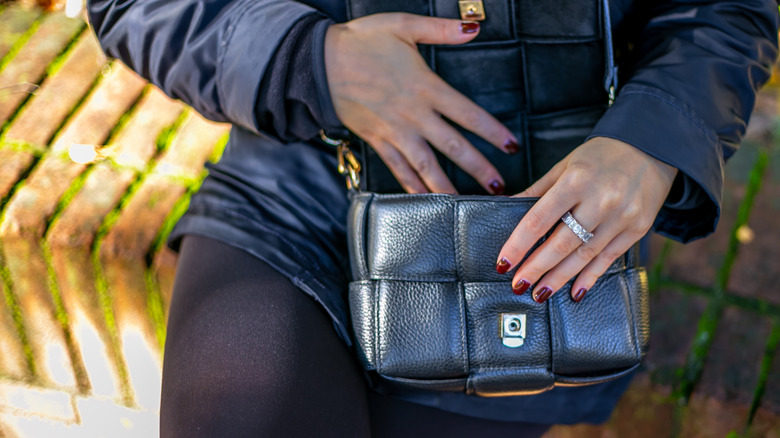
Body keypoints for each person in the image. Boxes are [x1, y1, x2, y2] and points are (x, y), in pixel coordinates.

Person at [87, 0, 779, 436]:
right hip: (296, 203)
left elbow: (724, 11)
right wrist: (310, 60)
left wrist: (652, 143)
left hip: (531, 235)